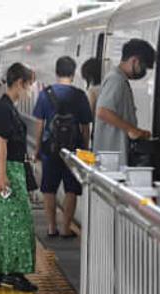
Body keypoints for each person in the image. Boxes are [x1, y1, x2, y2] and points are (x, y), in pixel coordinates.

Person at [0, 62, 38, 292]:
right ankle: (15, 273)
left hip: (7, 168)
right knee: (19, 223)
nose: (31, 91)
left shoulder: (6, 106)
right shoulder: (4, 109)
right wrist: (2, 177)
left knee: (0, 222)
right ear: (20, 83)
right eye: (30, 86)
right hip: (8, 172)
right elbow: (1, 144)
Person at [33, 56, 93, 238]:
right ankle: (66, 228)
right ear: (73, 74)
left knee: (49, 189)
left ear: (56, 72)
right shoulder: (80, 95)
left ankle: (51, 227)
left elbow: (40, 124)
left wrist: (37, 149)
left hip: (50, 150)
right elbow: (85, 127)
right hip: (73, 151)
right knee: (71, 190)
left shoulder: (45, 94)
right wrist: (84, 149)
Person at [93, 39, 155, 165]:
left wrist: (137, 131)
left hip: (112, 157)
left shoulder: (118, 78)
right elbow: (102, 111)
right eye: (142, 67)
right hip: (111, 158)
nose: (142, 71)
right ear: (134, 60)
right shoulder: (116, 80)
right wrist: (131, 130)